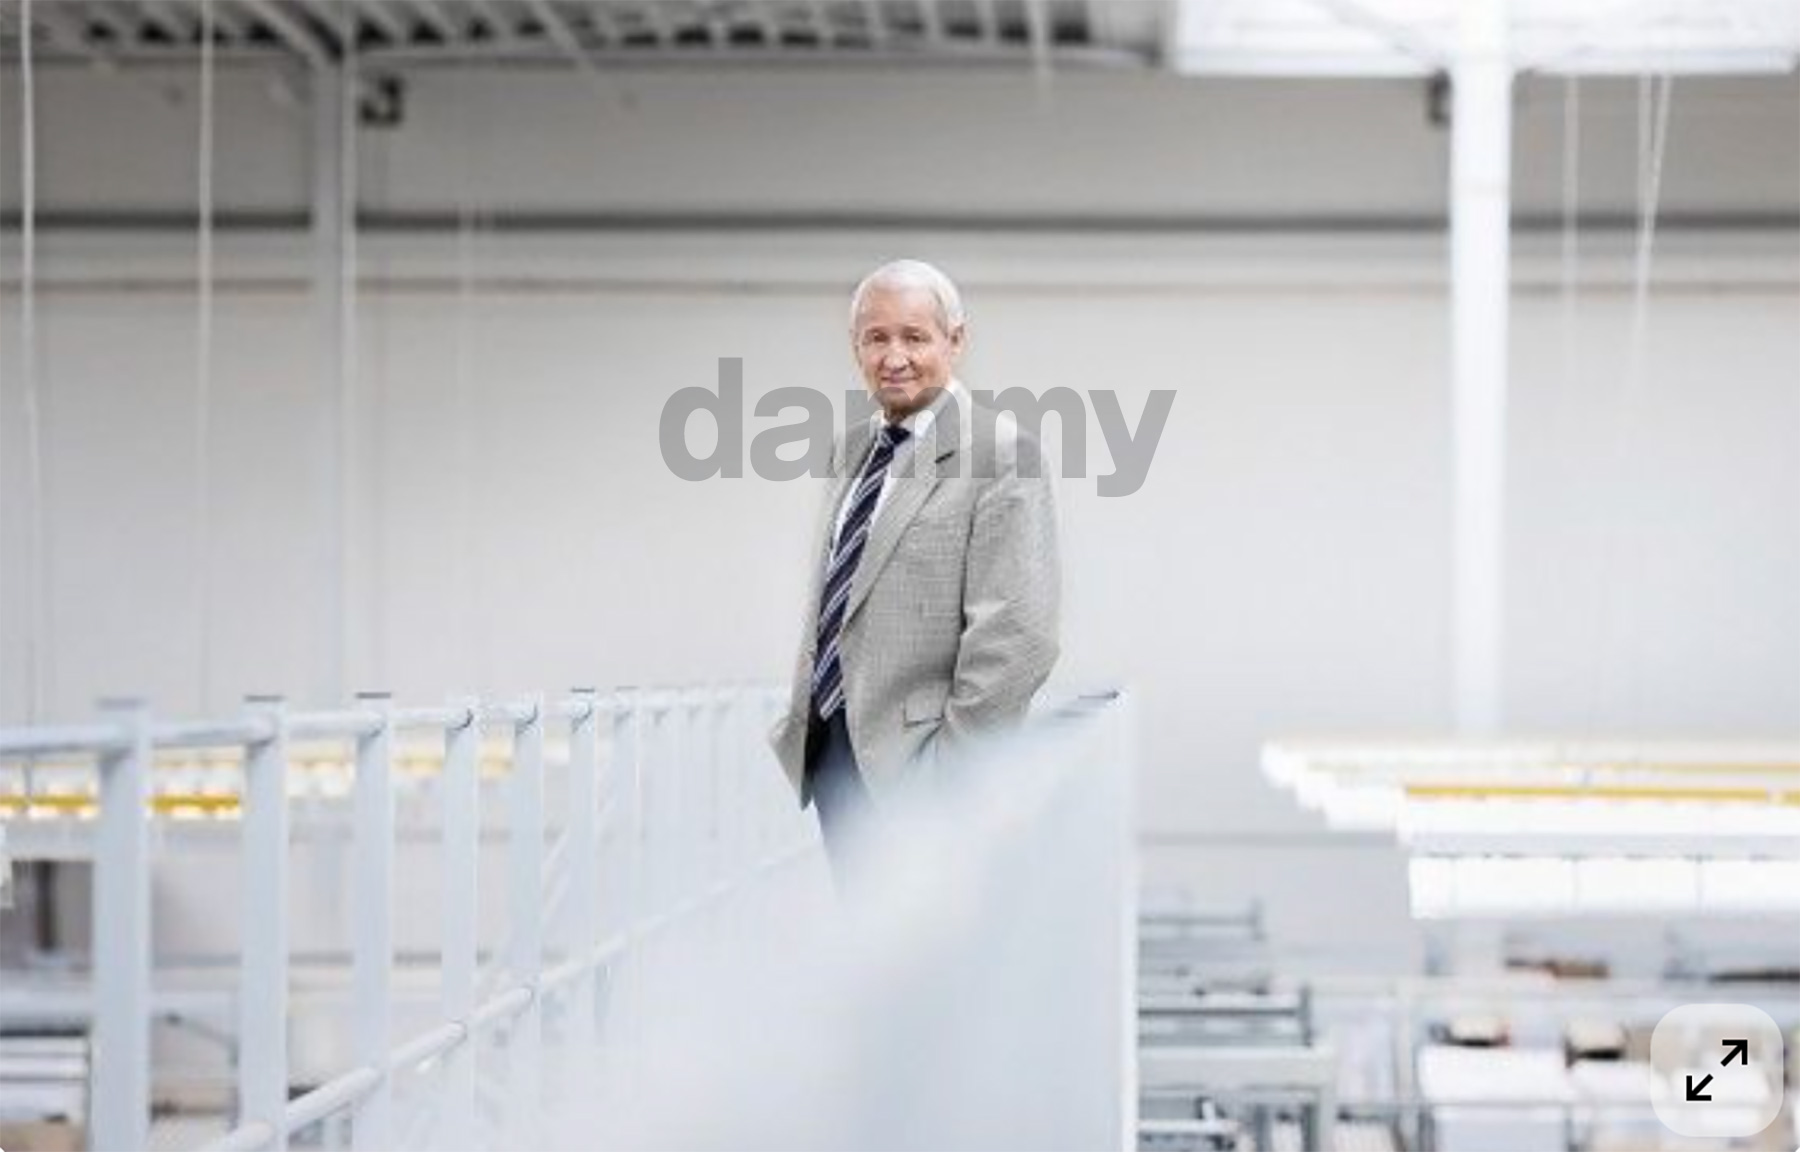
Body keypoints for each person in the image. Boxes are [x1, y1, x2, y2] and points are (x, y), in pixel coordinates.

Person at [769, 259, 1060, 872]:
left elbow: (1018, 635)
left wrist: (950, 773)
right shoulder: (853, 449)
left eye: (915, 337)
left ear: (956, 341)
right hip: (832, 754)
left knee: (936, 933)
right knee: (862, 928)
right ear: (855, 346)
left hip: (921, 768)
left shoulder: (1001, 453)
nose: (894, 357)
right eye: (876, 338)